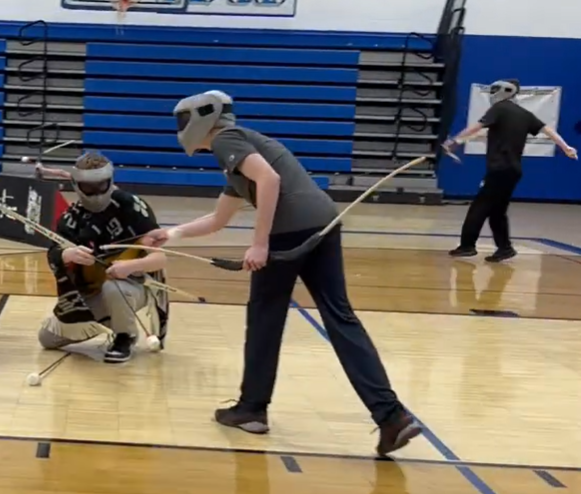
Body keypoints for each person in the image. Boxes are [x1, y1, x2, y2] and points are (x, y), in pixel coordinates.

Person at [145, 90, 421, 456]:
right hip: (322, 224)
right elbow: (218, 219)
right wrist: (172, 233)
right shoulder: (240, 150)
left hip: (289, 234)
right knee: (340, 318)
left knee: (264, 317)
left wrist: (260, 244)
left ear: (201, 119)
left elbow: (270, 181)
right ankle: (391, 415)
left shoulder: (228, 140)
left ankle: (252, 409)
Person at [40, 152, 169, 363]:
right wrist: (67, 254)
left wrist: (130, 266)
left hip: (132, 287)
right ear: (76, 185)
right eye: (89, 188)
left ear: (111, 181)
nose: (97, 194)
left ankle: (124, 336)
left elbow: (160, 259)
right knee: (46, 339)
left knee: (114, 287)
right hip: (92, 291)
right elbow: (53, 255)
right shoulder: (71, 219)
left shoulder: (132, 207)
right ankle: (112, 320)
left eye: (102, 185)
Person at [443, 79, 577, 262]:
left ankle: (467, 246)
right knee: (497, 211)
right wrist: (566, 147)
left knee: (479, 207)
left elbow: (477, 126)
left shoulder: (500, 108)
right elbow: (548, 130)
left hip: (500, 168)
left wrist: (455, 141)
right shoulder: (524, 113)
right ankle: (505, 248)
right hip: (513, 170)